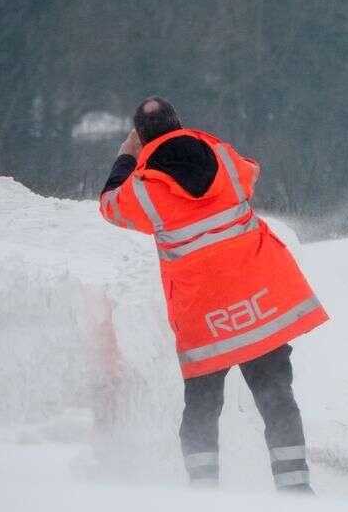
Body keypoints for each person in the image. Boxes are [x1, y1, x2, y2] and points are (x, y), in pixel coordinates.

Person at [98, 97, 329, 493]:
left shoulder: (145, 191)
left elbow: (109, 206)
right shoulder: (221, 156)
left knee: (203, 407)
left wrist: (126, 159)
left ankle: (203, 492)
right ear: (180, 123)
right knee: (276, 396)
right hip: (259, 302)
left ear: (139, 137)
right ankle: (296, 490)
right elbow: (250, 173)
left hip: (204, 315)